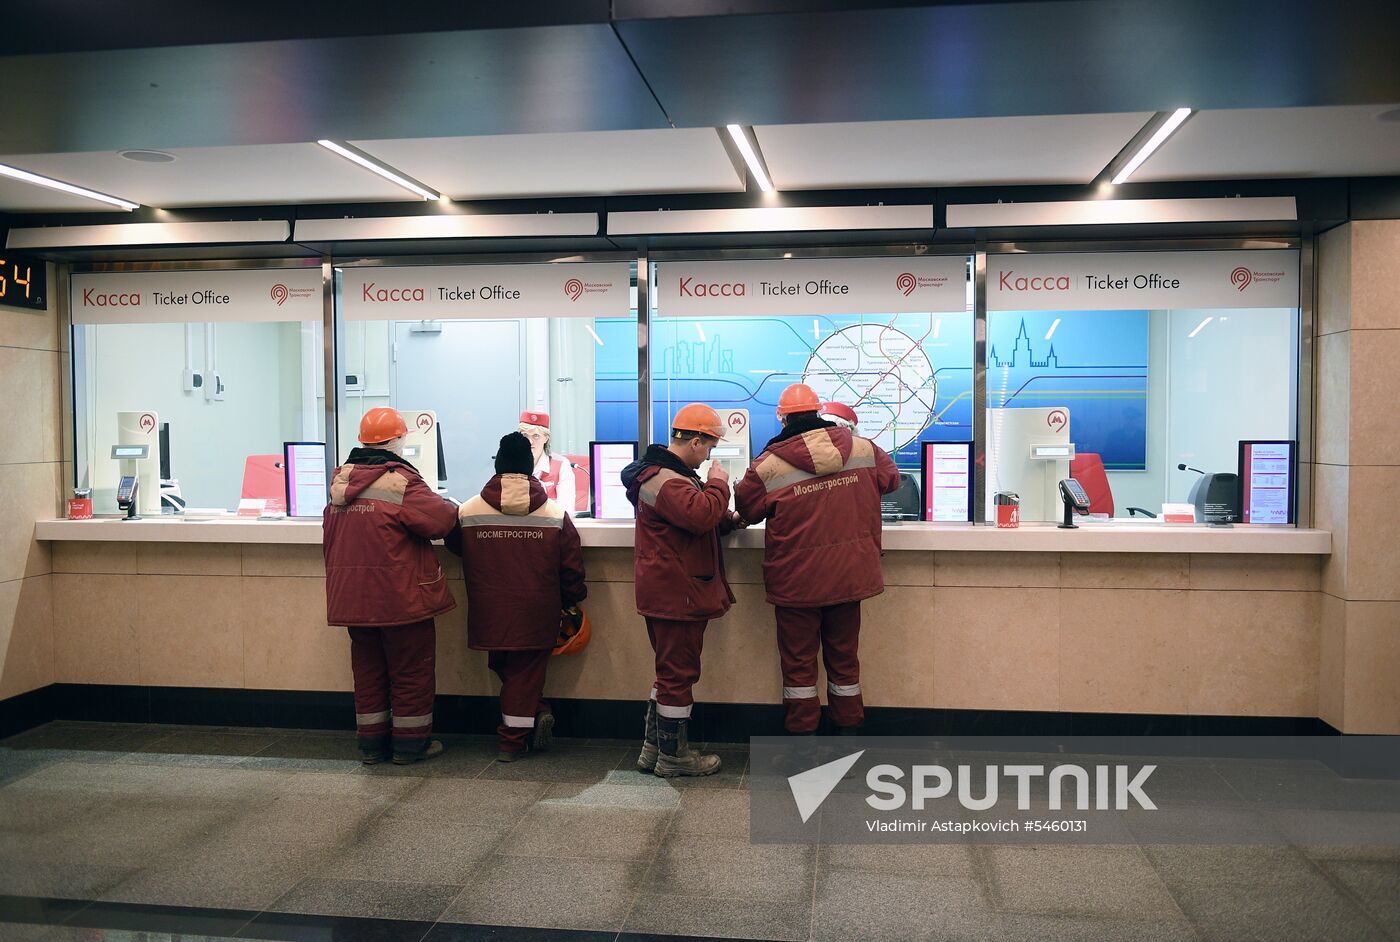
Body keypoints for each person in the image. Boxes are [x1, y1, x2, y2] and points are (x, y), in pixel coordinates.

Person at [735, 383, 901, 735]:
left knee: (798, 668)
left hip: (796, 584)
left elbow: (746, 507)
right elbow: (892, 481)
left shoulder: (768, 466)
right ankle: (847, 737)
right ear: (818, 412)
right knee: (844, 662)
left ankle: (802, 745)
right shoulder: (862, 448)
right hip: (849, 577)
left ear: (782, 418)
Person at [324, 407, 460, 764]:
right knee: (411, 671)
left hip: (352, 597)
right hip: (400, 597)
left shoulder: (341, 479)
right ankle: (410, 745)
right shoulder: (400, 480)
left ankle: (371, 745)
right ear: (397, 440)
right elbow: (442, 521)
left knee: (368, 671)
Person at [446, 432, 587, 761]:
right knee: (525, 674)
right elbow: (571, 566)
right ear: (530, 468)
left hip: (488, 610)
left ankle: (533, 711)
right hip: (537, 613)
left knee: (506, 667)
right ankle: (513, 740)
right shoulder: (553, 513)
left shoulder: (468, 510)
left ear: (497, 465)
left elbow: (455, 546)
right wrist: (572, 597)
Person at [622, 403, 744, 777]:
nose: (709, 455)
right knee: (679, 675)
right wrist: (719, 483)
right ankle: (675, 758)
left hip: (668, 588)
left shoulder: (668, 476)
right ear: (694, 441)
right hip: (678, 592)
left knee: (669, 672)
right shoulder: (665, 479)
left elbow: (694, 519)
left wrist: (727, 519)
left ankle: (653, 749)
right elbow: (698, 514)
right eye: (708, 447)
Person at [518, 410, 578, 511]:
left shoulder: (561, 465)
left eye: (536, 436)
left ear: (546, 438)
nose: (529, 441)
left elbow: (566, 510)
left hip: (549, 525)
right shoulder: (511, 464)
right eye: (525, 436)